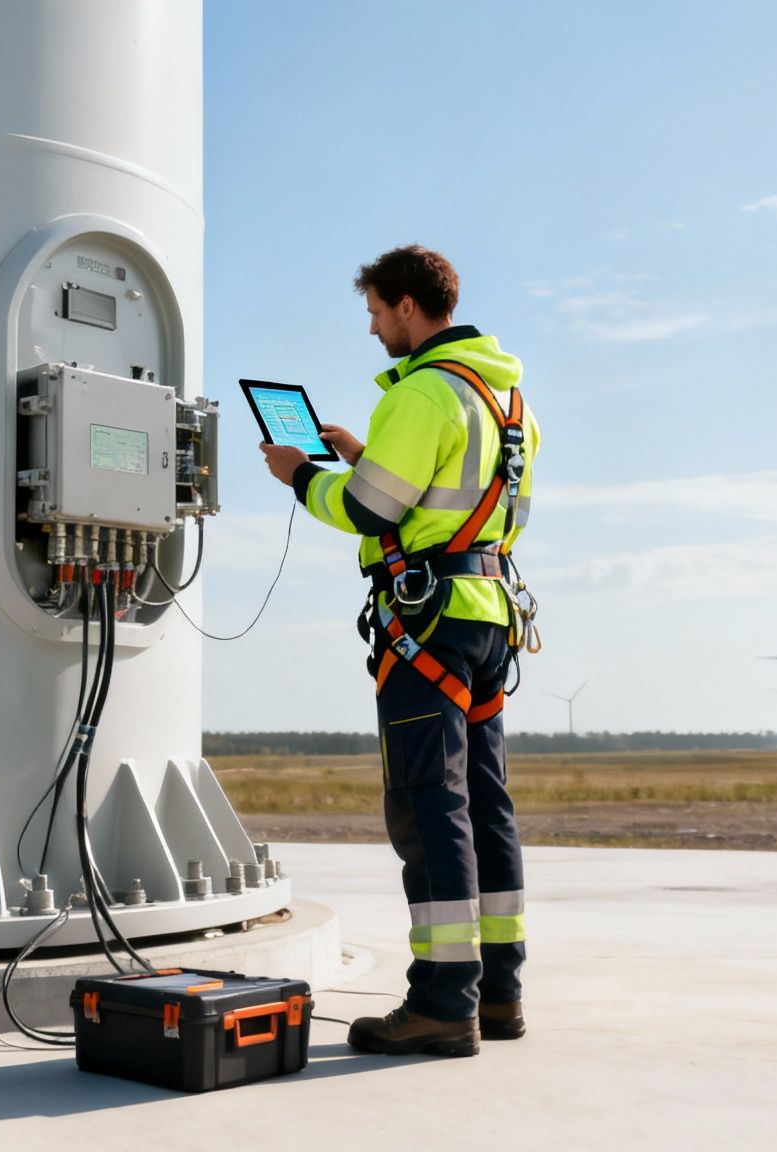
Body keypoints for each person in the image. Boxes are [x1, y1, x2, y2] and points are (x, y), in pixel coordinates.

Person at [260, 244, 537, 1057]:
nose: (374, 328)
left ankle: (443, 1003)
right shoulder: (505, 394)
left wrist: (301, 477)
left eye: (378, 313)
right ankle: (500, 993)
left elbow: (371, 510)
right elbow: (456, 494)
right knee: (485, 803)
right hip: (488, 610)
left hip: (428, 623)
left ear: (410, 307)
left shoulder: (422, 392)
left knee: (429, 805)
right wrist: (361, 454)